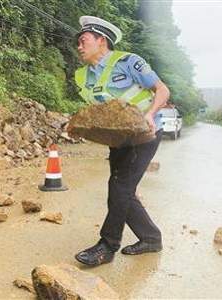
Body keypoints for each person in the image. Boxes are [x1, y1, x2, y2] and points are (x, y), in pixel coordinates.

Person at [74, 16, 170, 266]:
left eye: (83, 41)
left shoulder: (129, 62)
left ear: (101, 41)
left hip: (144, 134)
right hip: (119, 140)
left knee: (119, 189)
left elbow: (162, 90)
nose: (79, 47)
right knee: (122, 191)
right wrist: (79, 128)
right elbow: (98, 112)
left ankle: (107, 246)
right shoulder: (82, 76)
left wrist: (150, 113)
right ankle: (151, 238)